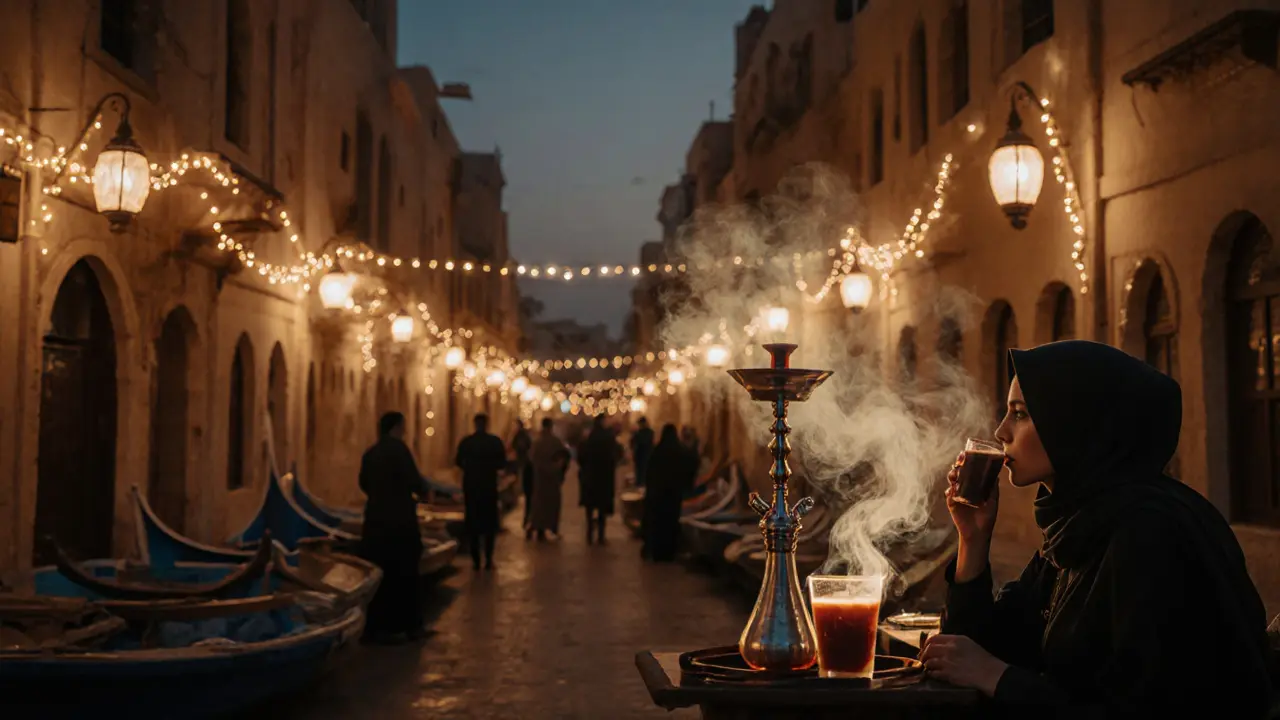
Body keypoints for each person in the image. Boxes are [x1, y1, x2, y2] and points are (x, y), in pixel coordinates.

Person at [922, 340, 1274, 716]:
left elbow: (1145, 708)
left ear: (1074, 424)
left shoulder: (1149, 532)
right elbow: (973, 651)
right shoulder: (1079, 524)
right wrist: (973, 539)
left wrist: (998, 677)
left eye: (1021, 414)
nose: (1001, 431)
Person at [358, 411, 430, 643]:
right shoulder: (400, 451)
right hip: (400, 522)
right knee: (406, 573)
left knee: (379, 574)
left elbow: (363, 483)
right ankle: (409, 626)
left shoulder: (370, 453)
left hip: (376, 521)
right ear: (396, 428)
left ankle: (377, 627)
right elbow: (414, 481)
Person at [455, 413, 507, 570]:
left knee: (473, 524)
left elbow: (458, 461)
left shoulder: (467, 442)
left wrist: (470, 470)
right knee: (489, 524)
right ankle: (489, 558)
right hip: (488, 487)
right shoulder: (494, 442)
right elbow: (502, 463)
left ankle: (476, 559)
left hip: (471, 487)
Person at [641, 424, 698, 561]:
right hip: (672, 496)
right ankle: (669, 553)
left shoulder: (657, 451)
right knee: (670, 523)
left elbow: (649, 473)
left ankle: (656, 552)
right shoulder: (679, 451)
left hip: (657, 495)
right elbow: (690, 465)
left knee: (657, 524)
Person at [577, 414, 621, 544]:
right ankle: (601, 535)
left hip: (589, 477)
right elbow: (616, 454)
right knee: (602, 507)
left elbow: (581, 457)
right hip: (604, 477)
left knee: (590, 507)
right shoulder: (608, 438)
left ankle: (589, 532)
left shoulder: (588, 438)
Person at [529, 418, 570, 541]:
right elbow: (564, 458)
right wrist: (559, 470)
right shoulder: (555, 442)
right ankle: (552, 528)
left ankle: (538, 528)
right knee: (552, 504)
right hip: (552, 478)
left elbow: (531, 458)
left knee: (539, 504)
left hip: (540, 478)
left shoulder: (537, 442)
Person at [511, 420, 534, 536]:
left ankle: (528, 522)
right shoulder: (522, 436)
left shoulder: (521, 436)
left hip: (523, 467)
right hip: (523, 467)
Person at [630, 417, 654, 488]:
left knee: (641, 475)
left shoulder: (639, 433)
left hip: (641, 457)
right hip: (646, 456)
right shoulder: (650, 432)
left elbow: (633, 443)